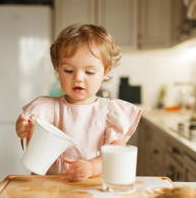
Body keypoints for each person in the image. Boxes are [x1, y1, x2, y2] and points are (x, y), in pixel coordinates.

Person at [15, 24, 142, 181]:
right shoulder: (46, 108)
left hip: (90, 187)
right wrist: (25, 132)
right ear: (58, 69)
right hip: (49, 185)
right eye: (69, 70)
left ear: (106, 71)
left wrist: (92, 167)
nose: (78, 78)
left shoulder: (110, 112)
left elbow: (115, 153)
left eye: (89, 72)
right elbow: (31, 149)